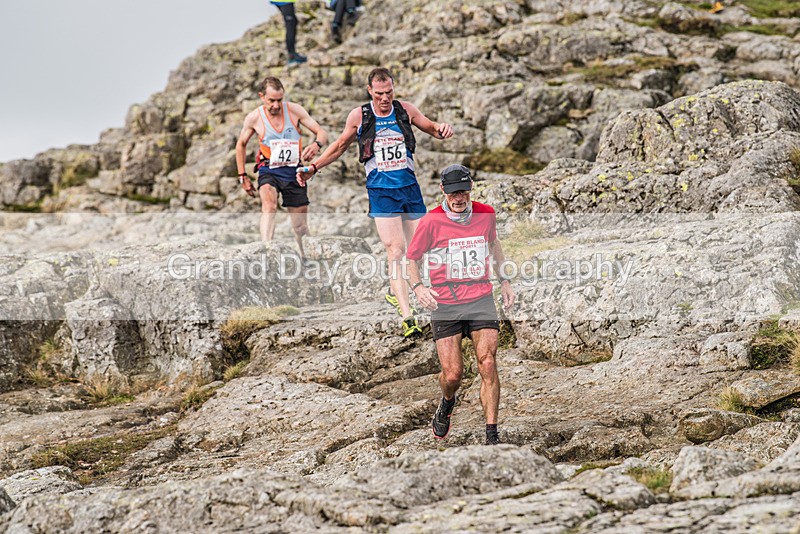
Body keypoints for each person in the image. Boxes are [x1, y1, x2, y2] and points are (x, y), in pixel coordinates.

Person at [297, 67, 454, 337]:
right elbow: (339, 146)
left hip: (409, 188)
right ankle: (408, 316)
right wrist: (314, 168)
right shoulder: (360, 115)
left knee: (420, 248)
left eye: (389, 92)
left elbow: (431, 128)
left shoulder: (405, 110)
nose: (385, 98)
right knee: (396, 249)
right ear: (370, 90)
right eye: (379, 93)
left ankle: (397, 290)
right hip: (381, 191)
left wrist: (442, 129)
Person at [405, 164, 515, 445]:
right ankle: (447, 400)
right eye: (453, 192)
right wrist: (418, 288)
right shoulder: (431, 222)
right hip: (446, 303)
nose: (458, 198)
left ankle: (492, 434)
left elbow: (494, 244)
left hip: (480, 298)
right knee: (453, 375)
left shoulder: (486, 214)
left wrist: (504, 280)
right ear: (443, 190)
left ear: (471, 188)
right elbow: (411, 261)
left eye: (463, 191)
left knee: (488, 363)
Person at [236, 76, 328, 257]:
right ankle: (266, 251)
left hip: (294, 172)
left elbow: (321, 132)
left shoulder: (294, 111)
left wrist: (316, 145)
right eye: (271, 101)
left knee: (300, 227)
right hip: (268, 168)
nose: (276, 105)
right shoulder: (254, 117)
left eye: (279, 100)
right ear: (262, 97)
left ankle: (307, 258)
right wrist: (242, 176)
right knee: (269, 205)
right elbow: (240, 145)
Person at [270, 0, 307, 66]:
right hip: (285, 1)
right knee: (290, 24)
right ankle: (292, 56)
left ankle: (292, 54)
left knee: (293, 22)